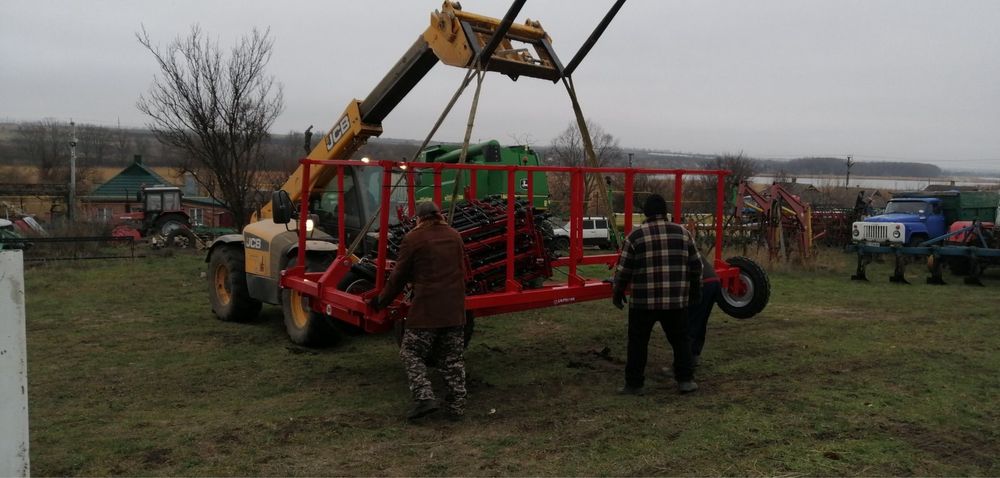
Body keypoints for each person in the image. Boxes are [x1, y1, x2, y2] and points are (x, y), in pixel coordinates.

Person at [369, 201, 468, 420]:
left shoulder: (413, 239)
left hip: (427, 310)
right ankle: (456, 408)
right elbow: (463, 270)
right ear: (439, 215)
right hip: (454, 309)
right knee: (452, 360)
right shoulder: (455, 236)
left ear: (419, 218)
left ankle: (424, 397)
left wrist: (381, 301)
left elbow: (398, 277)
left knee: (411, 352)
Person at [612, 194, 703, 395]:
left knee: (638, 342)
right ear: (665, 211)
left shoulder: (635, 236)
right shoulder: (683, 233)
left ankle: (634, 385)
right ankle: (685, 381)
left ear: (645, 212)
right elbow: (696, 266)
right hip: (676, 301)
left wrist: (617, 293)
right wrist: (695, 291)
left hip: (643, 303)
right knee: (681, 341)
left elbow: (623, 271)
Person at [688, 255, 720, 366]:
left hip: (703, 283)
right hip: (714, 281)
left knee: (689, 324)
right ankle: (694, 356)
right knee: (700, 323)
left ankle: (684, 364)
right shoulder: (686, 245)